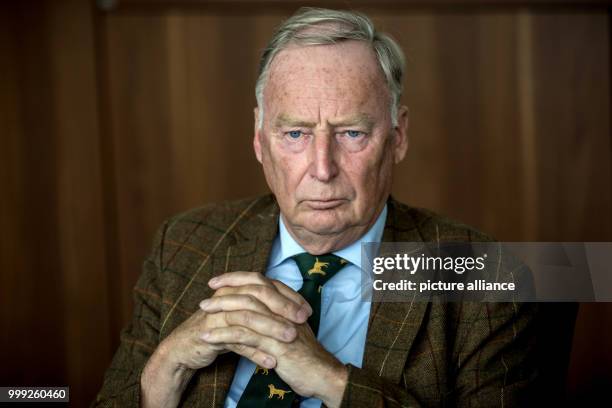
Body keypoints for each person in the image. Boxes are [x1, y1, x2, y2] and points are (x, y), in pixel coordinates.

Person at [93, 7, 538, 408]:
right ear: (259, 137)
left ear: (397, 136)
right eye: (295, 134)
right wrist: (164, 367)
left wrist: (331, 379)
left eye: (351, 134)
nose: (322, 169)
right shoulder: (185, 242)